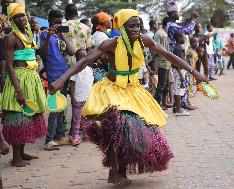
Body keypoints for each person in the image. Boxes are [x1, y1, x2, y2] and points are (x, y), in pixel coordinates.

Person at [50, 9, 206, 185]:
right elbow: (84, 61)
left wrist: (193, 71)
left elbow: (168, 55)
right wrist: (61, 80)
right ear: (122, 27)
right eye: (131, 26)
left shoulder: (144, 40)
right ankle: (116, 171)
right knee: (121, 129)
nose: (135, 29)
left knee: (136, 131)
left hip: (133, 90)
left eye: (138, 25)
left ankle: (118, 171)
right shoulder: (111, 44)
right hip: (112, 89)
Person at [2, 3, 47, 167]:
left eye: (23, 15)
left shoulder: (28, 34)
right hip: (19, 79)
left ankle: (21, 152)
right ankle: (16, 158)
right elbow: (9, 66)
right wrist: (18, 90)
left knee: (29, 114)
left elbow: (38, 53)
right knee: (19, 116)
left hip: (31, 79)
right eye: (17, 17)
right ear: (12, 20)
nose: (21, 19)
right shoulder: (11, 38)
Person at [39, 10, 75, 150]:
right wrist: (49, 36)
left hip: (64, 73)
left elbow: (71, 52)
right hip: (54, 75)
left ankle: (59, 136)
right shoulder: (43, 34)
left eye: (60, 23)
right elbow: (42, 53)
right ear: (49, 20)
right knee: (55, 108)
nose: (57, 24)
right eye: (55, 22)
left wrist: (62, 35)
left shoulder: (60, 36)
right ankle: (48, 140)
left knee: (61, 107)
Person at [70, 49, 93, 145]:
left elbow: (91, 84)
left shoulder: (90, 70)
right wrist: (72, 97)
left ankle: (86, 135)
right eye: (81, 56)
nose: (83, 58)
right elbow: (72, 83)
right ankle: (75, 136)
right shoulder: (75, 70)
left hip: (87, 99)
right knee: (77, 119)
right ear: (76, 58)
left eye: (85, 56)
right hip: (78, 98)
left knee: (87, 118)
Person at [153, 17, 172, 110]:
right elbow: (154, 47)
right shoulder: (159, 33)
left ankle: (164, 102)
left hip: (168, 62)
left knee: (167, 84)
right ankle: (157, 105)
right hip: (162, 62)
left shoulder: (165, 33)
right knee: (161, 85)